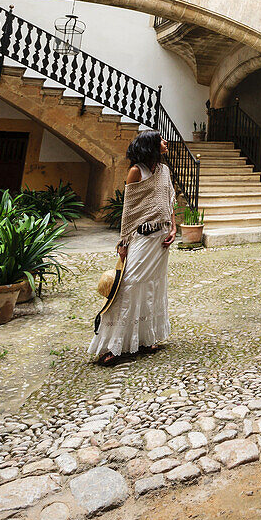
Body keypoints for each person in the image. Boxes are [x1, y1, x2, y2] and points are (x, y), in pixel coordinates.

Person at [89, 130, 176, 366]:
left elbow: (169, 202)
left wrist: (174, 229)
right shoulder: (136, 171)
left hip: (161, 239)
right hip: (142, 238)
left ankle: (146, 339)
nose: (165, 142)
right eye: (160, 140)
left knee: (154, 287)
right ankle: (113, 345)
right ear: (150, 146)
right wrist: (124, 242)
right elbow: (129, 210)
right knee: (128, 285)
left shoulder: (165, 170)